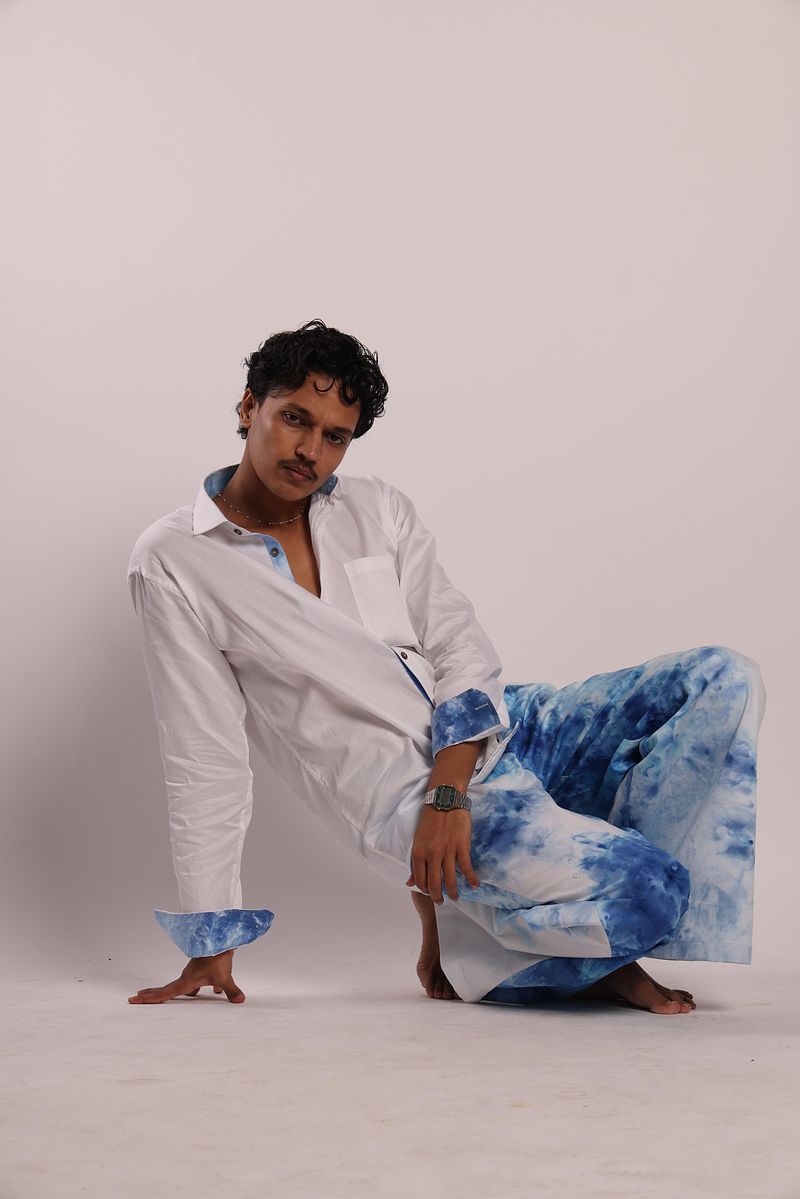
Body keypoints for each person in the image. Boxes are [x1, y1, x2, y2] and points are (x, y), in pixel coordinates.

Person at [126, 318, 767, 1012]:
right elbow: (204, 752)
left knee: (722, 678)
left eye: (335, 436)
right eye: (294, 419)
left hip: (490, 733)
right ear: (250, 405)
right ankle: (539, 940)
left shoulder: (377, 508)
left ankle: (577, 928)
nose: (310, 451)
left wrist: (449, 790)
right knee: (657, 890)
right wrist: (212, 934)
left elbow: (459, 643)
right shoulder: (175, 559)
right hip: (399, 794)